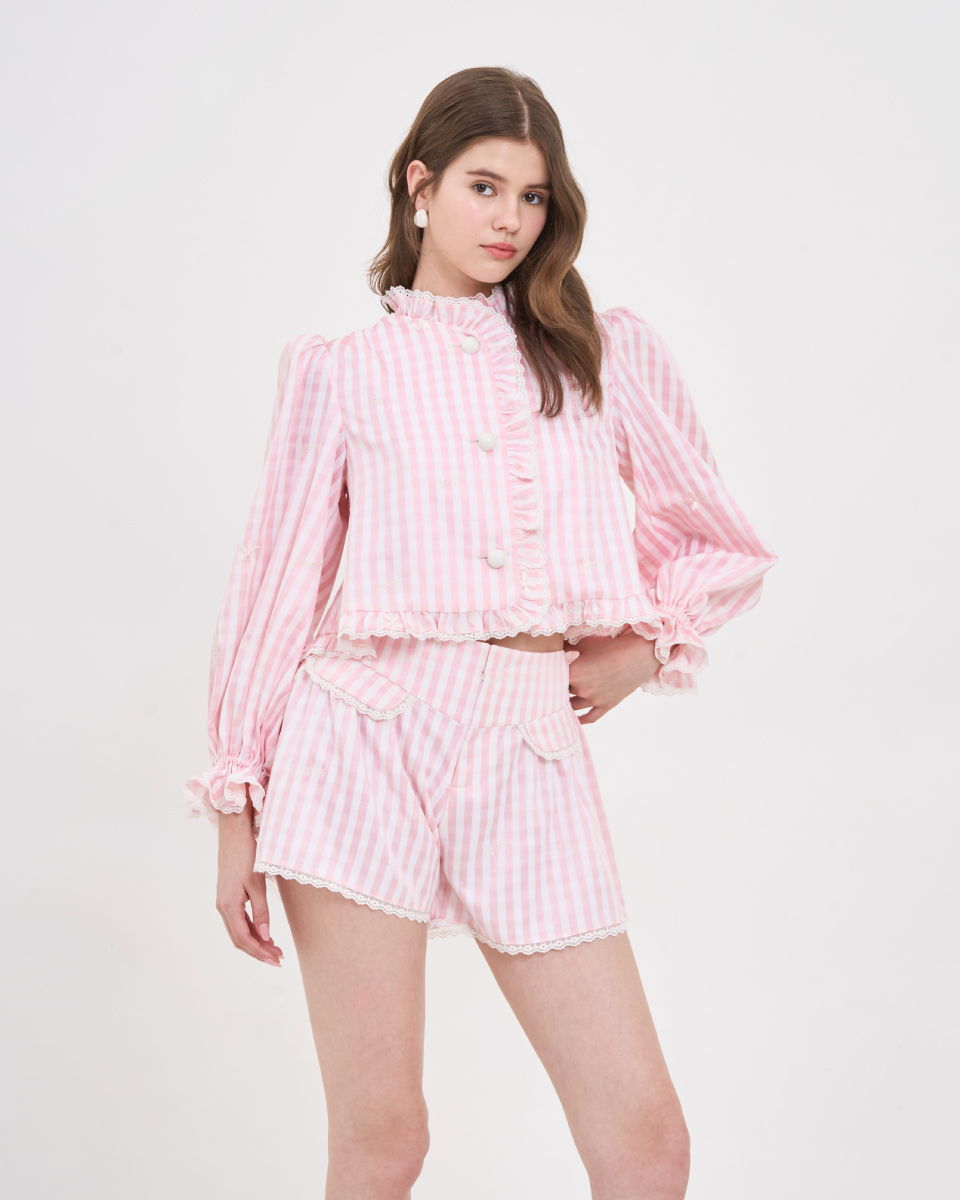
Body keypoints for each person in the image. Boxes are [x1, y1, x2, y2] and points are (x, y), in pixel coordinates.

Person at [184, 66, 776, 1200]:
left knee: (647, 1146)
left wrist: (645, 647)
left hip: (530, 749)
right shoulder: (342, 372)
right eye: (483, 186)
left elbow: (718, 538)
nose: (509, 219)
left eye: (533, 197)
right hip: (359, 740)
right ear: (420, 187)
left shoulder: (599, 354)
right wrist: (234, 814)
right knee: (385, 1142)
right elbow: (273, 586)